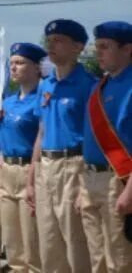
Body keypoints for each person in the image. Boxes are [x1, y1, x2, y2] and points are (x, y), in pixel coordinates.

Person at [27, 19, 95, 273]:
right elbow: (42, 131)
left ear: (78, 46)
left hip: (74, 165)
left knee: (76, 242)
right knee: (49, 243)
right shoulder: (46, 85)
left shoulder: (88, 85)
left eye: (59, 40)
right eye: (49, 40)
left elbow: (93, 135)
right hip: (46, 165)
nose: (51, 46)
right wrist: (32, 177)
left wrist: (86, 183)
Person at [80, 21, 132, 271]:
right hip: (91, 179)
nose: (98, 52)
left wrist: (130, 191)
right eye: (97, 46)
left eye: (105, 46)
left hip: (118, 181)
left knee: (119, 261)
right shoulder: (98, 87)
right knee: (97, 260)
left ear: (127, 49)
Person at [0, 42, 45, 272]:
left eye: (20, 63)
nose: (14, 68)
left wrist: (31, 179)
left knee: (32, 243)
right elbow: (3, 147)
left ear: (37, 67)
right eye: (12, 63)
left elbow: (40, 142)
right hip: (7, 172)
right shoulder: (9, 102)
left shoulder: (41, 99)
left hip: (29, 170)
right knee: (12, 245)